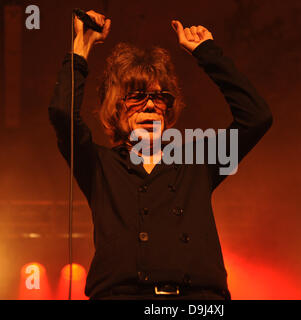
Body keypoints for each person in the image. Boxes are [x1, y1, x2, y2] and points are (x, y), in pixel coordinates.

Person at [48, 10, 273, 300]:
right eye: (137, 96)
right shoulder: (99, 166)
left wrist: (208, 54)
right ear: (117, 108)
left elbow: (256, 117)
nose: (150, 105)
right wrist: (83, 45)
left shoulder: (197, 162)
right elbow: (61, 113)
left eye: (160, 97)